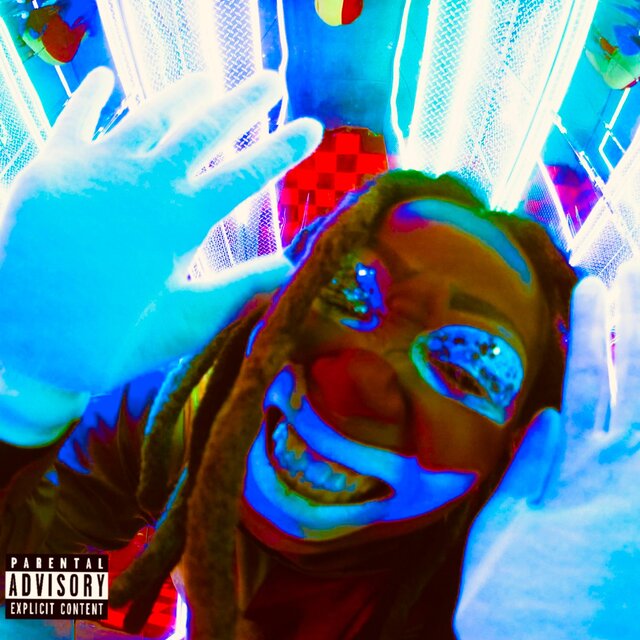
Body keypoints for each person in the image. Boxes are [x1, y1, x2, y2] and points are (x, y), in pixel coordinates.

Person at [0, 70, 639, 640]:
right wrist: (29, 388)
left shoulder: (505, 582)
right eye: (343, 291)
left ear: (513, 447)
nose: (355, 381)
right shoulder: (190, 414)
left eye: (470, 366)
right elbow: (28, 575)